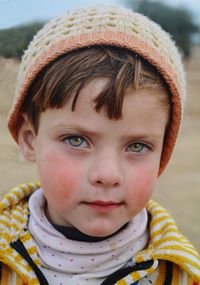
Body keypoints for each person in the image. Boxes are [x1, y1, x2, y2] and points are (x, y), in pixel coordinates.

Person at [0, 5, 199, 285]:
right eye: (76, 140)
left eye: (138, 146)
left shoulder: (180, 275)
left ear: (163, 149)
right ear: (29, 138)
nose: (107, 175)